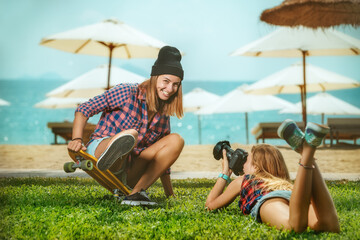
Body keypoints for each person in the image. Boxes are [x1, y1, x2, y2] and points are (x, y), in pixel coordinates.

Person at [67, 46, 185, 206]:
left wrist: (169, 194)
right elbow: (84, 109)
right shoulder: (127, 92)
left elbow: (163, 162)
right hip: (99, 151)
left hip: (129, 172)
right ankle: (112, 155)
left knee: (176, 140)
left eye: (176, 84)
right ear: (155, 77)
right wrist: (77, 138)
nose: (170, 89)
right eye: (166, 81)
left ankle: (136, 194)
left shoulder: (163, 116)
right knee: (131, 135)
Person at [205, 119, 340, 233]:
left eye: (246, 159)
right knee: (329, 226)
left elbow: (210, 205)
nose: (242, 162)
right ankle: (305, 150)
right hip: (292, 195)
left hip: (269, 200)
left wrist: (225, 172)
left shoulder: (245, 180)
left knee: (294, 227)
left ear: (256, 167)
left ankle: (307, 150)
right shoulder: (282, 183)